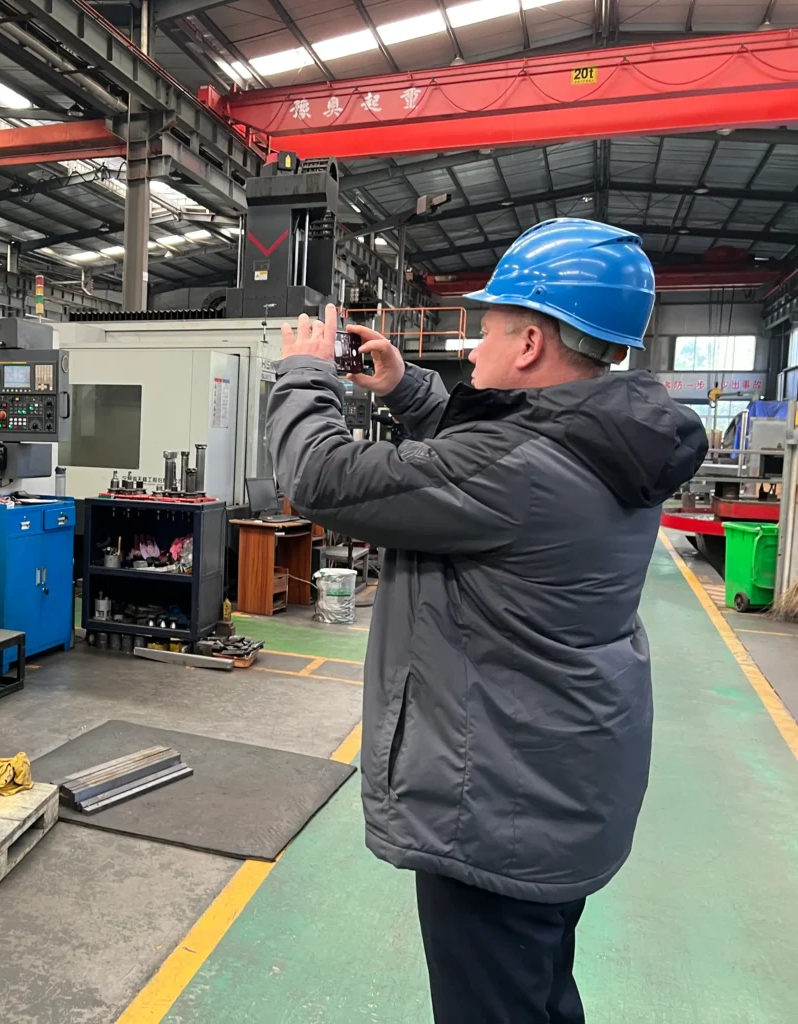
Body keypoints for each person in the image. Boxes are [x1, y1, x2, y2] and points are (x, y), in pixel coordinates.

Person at [266, 219, 708, 1023]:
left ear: (531, 343)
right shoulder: (610, 437)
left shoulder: (523, 469)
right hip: (552, 789)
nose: (472, 348)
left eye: (490, 328)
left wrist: (304, 373)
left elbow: (320, 476)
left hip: (497, 808)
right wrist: (407, 389)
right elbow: (498, 447)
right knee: (534, 997)